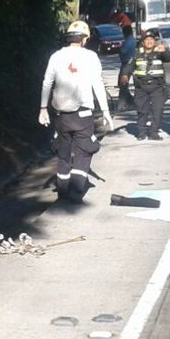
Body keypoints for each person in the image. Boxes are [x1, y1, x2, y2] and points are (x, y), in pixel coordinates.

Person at [39, 20, 114, 203]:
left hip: (61, 116)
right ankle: (75, 190)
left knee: (63, 152)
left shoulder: (56, 56)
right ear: (84, 38)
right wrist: (105, 111)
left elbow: (47, 82)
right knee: (84, 152)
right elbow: (97, 84)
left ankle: (63, 190)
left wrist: (42, 108)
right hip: (82, 115)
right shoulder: (90, 57)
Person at [128, 28, 170, 141]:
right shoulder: (137, 54)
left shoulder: (159, 52)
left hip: (157, 87)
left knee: (157, 110)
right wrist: (125, 76)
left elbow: (169, 58)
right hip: (141, 87)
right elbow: (129, 67)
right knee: (141, 111)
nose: (149, 42)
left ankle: (154, 132)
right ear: (143, 42)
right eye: (147, 40)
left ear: (154, 42)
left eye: (151, 40)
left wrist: (164, 50)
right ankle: (141, 132)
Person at [116, 24, 137, 110]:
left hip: (127, 64)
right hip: (132, 63)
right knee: (125, 84)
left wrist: (120, 49)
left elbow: (123, 51)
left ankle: (122, 104)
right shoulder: (133, 40)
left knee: (123, 84)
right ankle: (131, 101)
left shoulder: (129, 41)